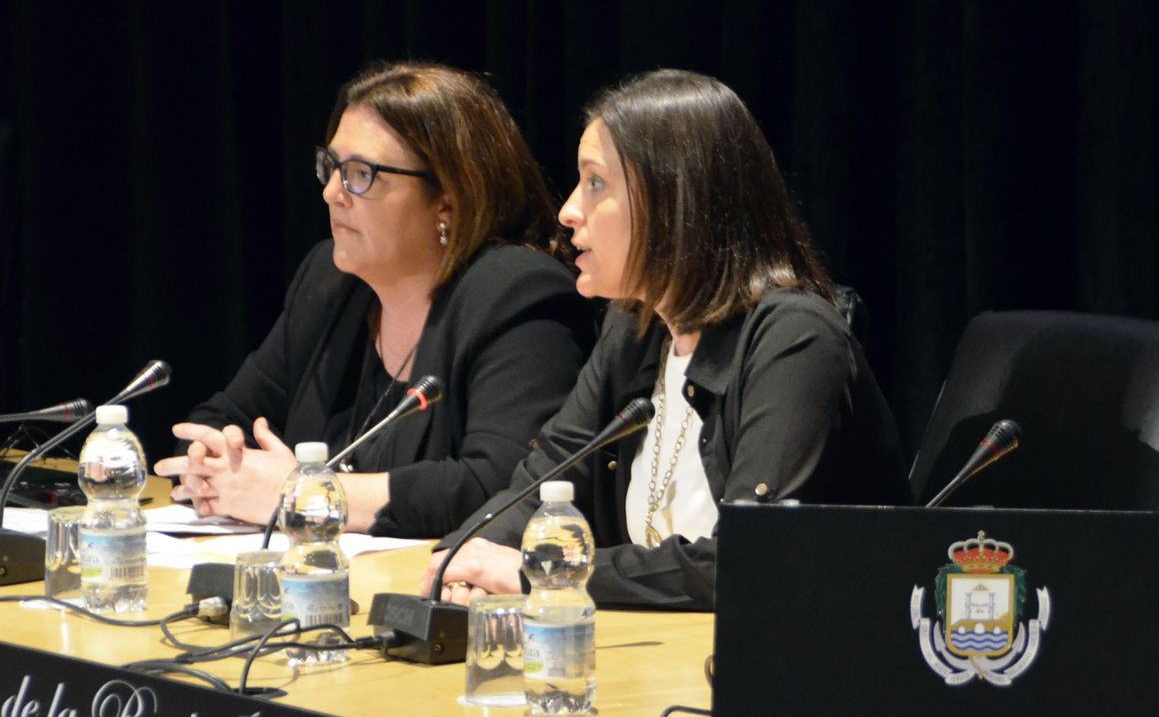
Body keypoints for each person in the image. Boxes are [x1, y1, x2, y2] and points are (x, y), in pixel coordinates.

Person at [424, 69, 908, 608]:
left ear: (674, 199)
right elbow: (538, 485)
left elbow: (748, 559)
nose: (567, 211)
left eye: (596, 183)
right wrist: (459, 559)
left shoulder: (794, 340)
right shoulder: (633, 332)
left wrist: (541, 570)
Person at [154, 62, 594, 538]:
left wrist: (305, 494)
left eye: (360, 174)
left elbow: (503, 484)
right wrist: (212, 465)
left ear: (448, 198)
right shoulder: (329, 283)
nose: (330, 193)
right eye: (331, 166)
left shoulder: (516, 293)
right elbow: (223, 417)